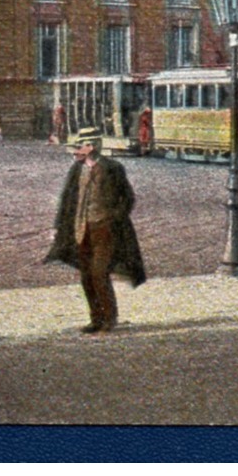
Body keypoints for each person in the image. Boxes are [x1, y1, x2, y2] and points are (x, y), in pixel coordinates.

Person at [44, 126, 146, 334]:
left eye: (79, 147)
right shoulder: (77, 170)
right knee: (86, 275)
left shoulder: (113, 168)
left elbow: (127, 198)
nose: (75, 151)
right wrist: (57, 227)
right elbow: (67, 200)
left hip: (105, 230)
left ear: (91, 147)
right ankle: (95, 318)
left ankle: (109, 318)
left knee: (99, 273)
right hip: (81, 229)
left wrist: (113, 218)